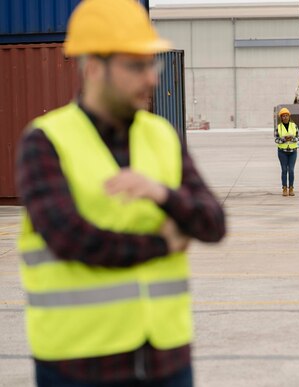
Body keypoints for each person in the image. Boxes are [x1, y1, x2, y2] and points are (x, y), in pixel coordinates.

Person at [16, 0, 226, 386]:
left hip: (166, 358)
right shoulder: (45, 141)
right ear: (94, 67)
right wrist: (164, 244)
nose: (150, 78)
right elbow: (71, 238)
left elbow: (213, 222)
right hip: (78, 363)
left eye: (152, 65)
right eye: (135, 66)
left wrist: (163, 194)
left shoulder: (162, 135)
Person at [275, 107, 299, 196]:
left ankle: (291, 188)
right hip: (282, 152)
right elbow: (276, 140)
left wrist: (292, 139)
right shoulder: (278, 127)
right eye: (283, 116)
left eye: (286, 116)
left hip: (293, 151)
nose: (285, 117)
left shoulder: (294, 126)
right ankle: (284, 188)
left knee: (291, 170)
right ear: (281, 118)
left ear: (289, 116)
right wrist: (284, 139)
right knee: (284, 170)